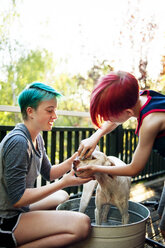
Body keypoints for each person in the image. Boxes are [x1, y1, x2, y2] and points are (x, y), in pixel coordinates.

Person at [0, 82, 92, 248]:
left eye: (55, 110)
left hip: (19, 209)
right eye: (50, 110)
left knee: (63, 196)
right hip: (6, 220)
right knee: (82, 225)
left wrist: (73, 159)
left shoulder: (36, 137)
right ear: (30, 112)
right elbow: (17, 199)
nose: (55, 115)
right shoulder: (19, 142)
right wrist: (64, 182)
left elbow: (49, 173)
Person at [77, 71, 165, 240]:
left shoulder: (150, 122)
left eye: (107, 115)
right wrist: (94, 137)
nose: (106, 119)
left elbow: (134, 168)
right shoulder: (136, 97)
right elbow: (115, 120)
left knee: (164, 228)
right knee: (161, 214)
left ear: (128, 112)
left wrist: (94, 168)